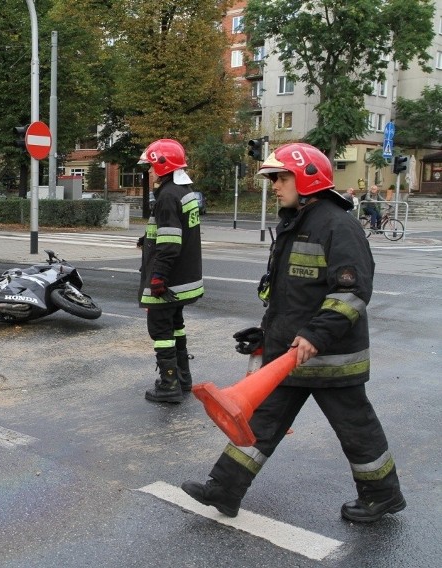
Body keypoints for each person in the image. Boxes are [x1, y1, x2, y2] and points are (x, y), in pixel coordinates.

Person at [181, 143, 405, 523]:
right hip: (289, 355)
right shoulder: (296, 222)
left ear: (306, 179)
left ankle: (382, 496)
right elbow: (290, 294)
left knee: (356, 429)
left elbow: (351, 292)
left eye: (281, 178)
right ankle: (224, 489)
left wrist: (316, 335)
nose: (275, 186)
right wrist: (267, 333)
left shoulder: (338, 225)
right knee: (260, 424)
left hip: (331, 358)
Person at [136, 139, 204, 403]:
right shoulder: (184, 191)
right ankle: (184, 378)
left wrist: (157, 278)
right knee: (176, 327)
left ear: (163, 165)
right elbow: (178, 232)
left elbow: (170, 243)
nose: (150, 170)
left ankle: (169, 385)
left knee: (161, 331)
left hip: (169, 282)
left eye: (152, 165)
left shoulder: (166, 196)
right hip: (185, 280)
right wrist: (147, 239)